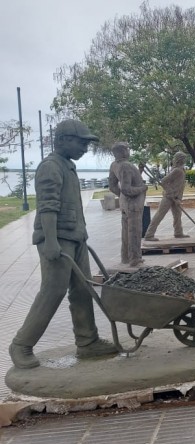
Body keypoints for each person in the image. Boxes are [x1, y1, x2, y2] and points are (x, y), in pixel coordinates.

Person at [9, 119, 119, 369]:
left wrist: (81, 234)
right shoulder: (50, 166)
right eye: (80, 142)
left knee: (83, 289)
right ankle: (21, 345)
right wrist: (49, 241)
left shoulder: (67, 165)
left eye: (86, 144)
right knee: (53, 290)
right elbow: (47, 205)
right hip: (57, 239)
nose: (84, 148)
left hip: (75, 237)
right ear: (62, 140)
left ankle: (87, 342)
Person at [109, 142, 148, 266]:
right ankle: (135, 259)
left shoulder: (114, 165)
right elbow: (127, 189)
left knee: (126, 231)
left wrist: (121, 196)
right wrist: (143, 188)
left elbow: (112, 186)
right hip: (133, 203)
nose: (128, 151)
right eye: (127, 149)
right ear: (122, 151)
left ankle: (125, 257)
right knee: (134, 232)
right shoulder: (126, 165)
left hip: (125, 203)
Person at [143, 151, 189, 241]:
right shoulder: (177, 170)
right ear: (180, 159)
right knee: (160, 214)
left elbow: (179, 186)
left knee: (177, 215)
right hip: (169, 197)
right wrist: (170, 192)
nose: (185, 160)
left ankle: (178, 232)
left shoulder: (181, 169)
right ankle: (149, 235)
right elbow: (163, 181)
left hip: (176, 198)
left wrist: (178, 198)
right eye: (183, 158)